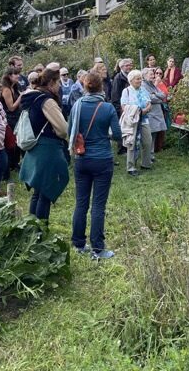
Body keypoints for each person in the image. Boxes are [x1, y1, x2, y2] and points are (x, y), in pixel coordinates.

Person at [68, 72, 122, 260]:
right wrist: (104, 135)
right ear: (101, 87)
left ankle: (78, 243)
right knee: (98, 205)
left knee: (81, 203)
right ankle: (98, 249)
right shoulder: (107, 108)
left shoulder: (77, 106)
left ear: (85, 86)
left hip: (81, 159)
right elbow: (117, 134)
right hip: (102, 159)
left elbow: (70, 131)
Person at [19, 68, 69, 222]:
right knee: (46, 191)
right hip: (48, 148)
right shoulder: (46, 101)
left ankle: (32, 227)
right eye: (58, 82)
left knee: (37, 191)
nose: (59, 86)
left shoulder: (31, 97)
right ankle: (41, 230)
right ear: (51, 83)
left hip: (35, 147)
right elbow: (62, 129)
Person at [120, 69, 152, 175]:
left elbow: (149, 103)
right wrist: (137, 111)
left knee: (147, 141)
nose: (140, 81)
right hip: (132, 121)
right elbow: (124, 106)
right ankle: (131, 167)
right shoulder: (127, 91)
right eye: (138, 79)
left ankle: (146, 163)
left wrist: (145, 110)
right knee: (132, 143)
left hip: (144, 119)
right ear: (131, 80)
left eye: (140, 78)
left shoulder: (143, 90)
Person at [142, 68, 167, 159]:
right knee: (150, 135)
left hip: (157, 113)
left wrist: (155, 94)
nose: (153, 76)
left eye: (153, 74)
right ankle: (148, 155)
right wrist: (158, 98)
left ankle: (151, 155)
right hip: (150, 113)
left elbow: (163, 94)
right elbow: (149, 98)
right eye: (151, 74)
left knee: (155, 133)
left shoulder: (153, 85)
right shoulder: (143, 85)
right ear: (144, 76)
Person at [1, 67, 22, 172]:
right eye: (15, 74)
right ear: (9, 76)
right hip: (9, 118)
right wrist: (21, 97)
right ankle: (10, 164)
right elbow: (11, 107)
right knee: (11, 143)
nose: (18, 76)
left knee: (17, 142)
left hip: (17, 117)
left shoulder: (15, 87)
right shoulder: (6, 89)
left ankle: (16, 163)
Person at [111, 58, 133, 155]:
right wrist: (118, 108)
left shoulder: (130, 76)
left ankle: (128, 146)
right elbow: (115, 95)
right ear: (121, 67)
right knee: (122, 127)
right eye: (127, 65)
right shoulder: (118, 78)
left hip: (130, 106)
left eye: (130, 65)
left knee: (129, 127)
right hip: (121, 107)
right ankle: (121, 149)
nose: (129, 67)